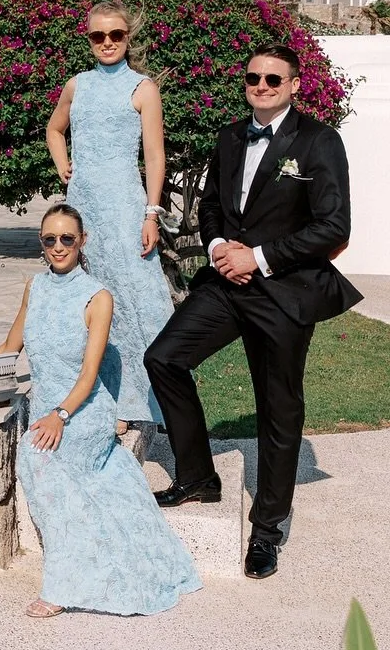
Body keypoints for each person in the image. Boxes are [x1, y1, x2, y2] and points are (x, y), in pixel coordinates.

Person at [145, 44, 361, 580]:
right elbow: (213, 203)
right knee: (165, 359)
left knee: (277, 410)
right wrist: (220, 247)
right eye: (253, 78)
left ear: (293, 86)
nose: (261, 86)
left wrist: (259, 258)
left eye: (273, 79)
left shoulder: (317, 141)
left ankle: (267, 530)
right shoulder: (230, 136)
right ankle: (197, 477)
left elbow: (333, 226)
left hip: (283, 290)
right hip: (226, 283)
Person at [0, 204, 201, 618]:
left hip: (81, 410)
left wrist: (61, 415)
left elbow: (90, 375)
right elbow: (9, 347)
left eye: (66, 239)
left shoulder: (98, 297)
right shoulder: (33, 288)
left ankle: (60, 584)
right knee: (39, 458)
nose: (58, 247)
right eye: (49, 239)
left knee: (42, 462)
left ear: (82, 241)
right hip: (46, 404)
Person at [46, 0, 170, 435]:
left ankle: (145, 400)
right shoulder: (76, 85)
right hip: (83, 206)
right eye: (98, 35)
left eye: (115, 34)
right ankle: (99, 393)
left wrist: (151, 213)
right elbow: (54, 128)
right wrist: (63, 163)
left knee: (136, 300)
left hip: (124, 206)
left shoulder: (143, 88)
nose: (107, 42)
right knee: (91, 299)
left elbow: (155, 157)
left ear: (127, 37)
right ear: (89, 39)